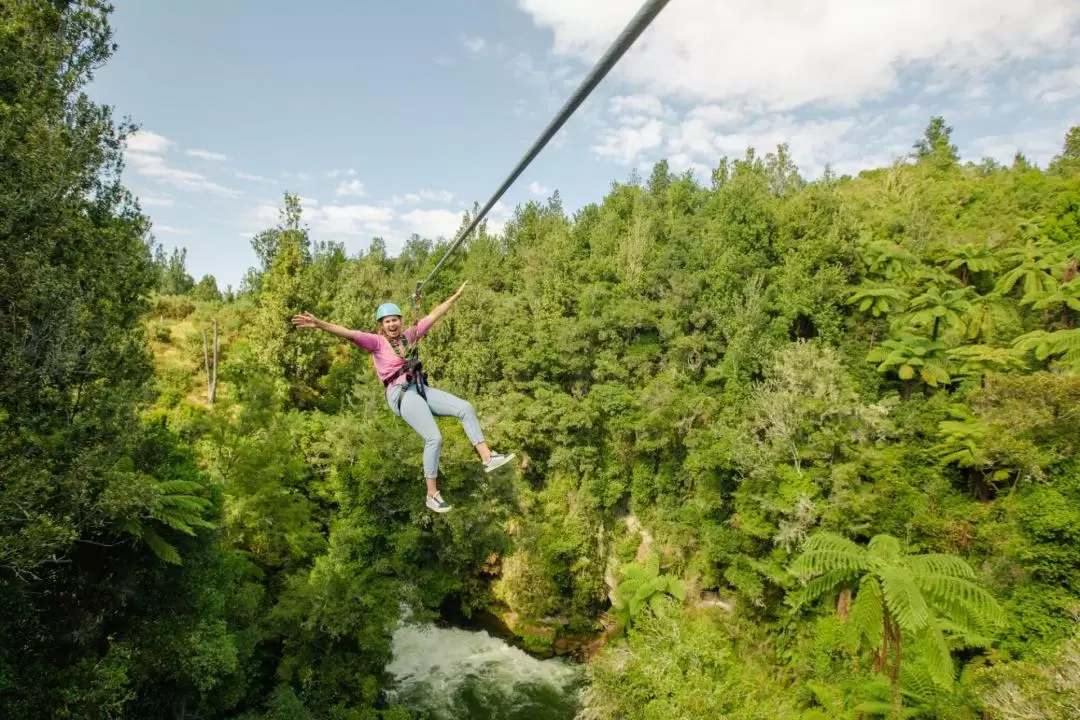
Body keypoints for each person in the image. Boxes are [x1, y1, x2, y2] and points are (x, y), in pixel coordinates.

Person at [291, 281, 514, 513]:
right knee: (434, 438)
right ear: (381, 325)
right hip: (401, 394)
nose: (392, 324)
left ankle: (488, 458)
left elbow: (434, 314)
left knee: (465, 408)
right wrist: (319, 324)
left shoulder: (410, 336)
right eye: (387, 321)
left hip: (419, 388)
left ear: (401, 321)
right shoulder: (376, 342)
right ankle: (432, 494)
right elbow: (347, 332)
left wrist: (455, 296)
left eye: (395, 319)